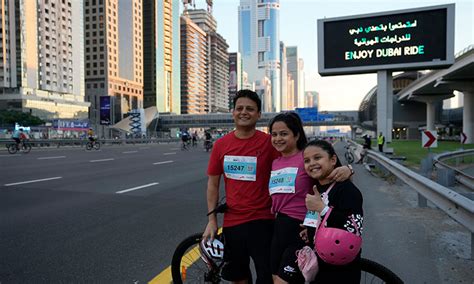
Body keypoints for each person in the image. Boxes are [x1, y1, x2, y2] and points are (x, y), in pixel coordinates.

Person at [203, 89, 352, 284]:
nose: (244, 112)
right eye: (239, 108)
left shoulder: (271, 144)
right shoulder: (221, 145)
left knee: (268, 278)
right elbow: (213, 184)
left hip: (265, 222)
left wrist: (347, 169)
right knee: (239, 277)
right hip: (233, 223)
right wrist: (211, 219)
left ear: (258, 114)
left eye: (250, 108)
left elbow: (314, 163)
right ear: (233, 112)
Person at [268, 112, 353, 284]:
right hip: (279, 226)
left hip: (301, 228)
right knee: (275, 276)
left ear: (297, 134)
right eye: (274, 134)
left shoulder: (307, 159)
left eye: (284, 134)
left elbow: (333, 176)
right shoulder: (275, 162)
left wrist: (349, 169)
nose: (278, 138)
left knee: (283, 281)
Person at [303, 140, 363, 283]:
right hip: (319, 261)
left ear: (333, 160)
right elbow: (320, 219)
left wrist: (322, 208)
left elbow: (353, 227)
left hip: (341, 266)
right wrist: (310, 228)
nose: (311, 163)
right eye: (307, 160)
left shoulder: (346, 190)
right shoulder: (317, 187)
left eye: (317, 158)